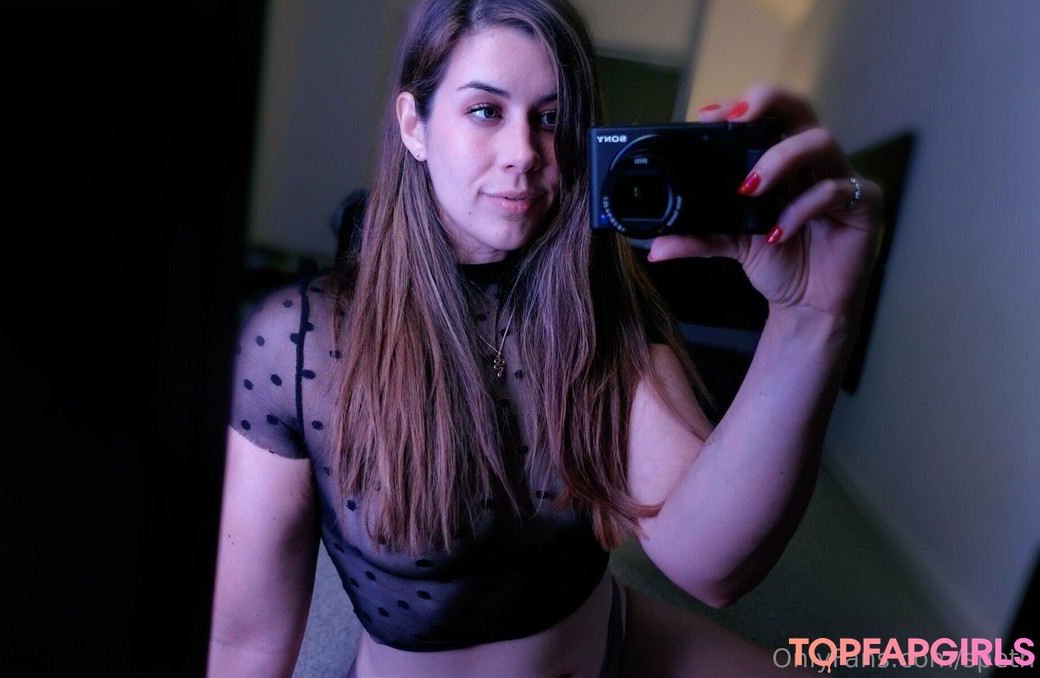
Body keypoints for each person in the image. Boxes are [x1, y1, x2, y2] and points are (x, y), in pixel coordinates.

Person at [206, 0, 882, 675]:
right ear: (414, 126)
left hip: (613, 638)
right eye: (486, 111)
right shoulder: (297, 345)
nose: (526, 155)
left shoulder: (600, 308)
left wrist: (812, 319)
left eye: (552, 119)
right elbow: (244, 645)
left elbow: (713, 568)